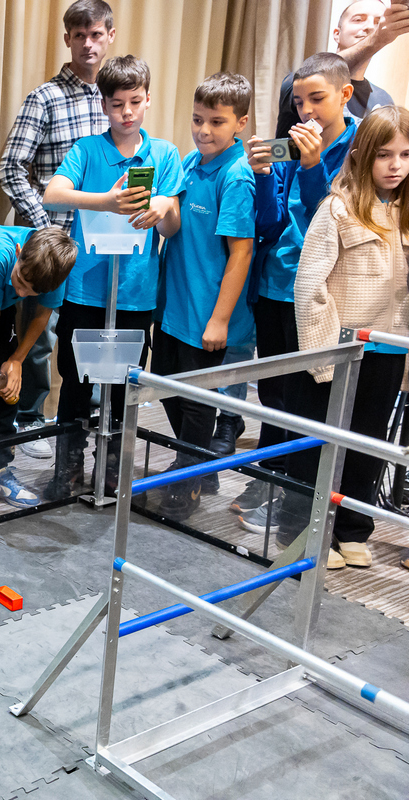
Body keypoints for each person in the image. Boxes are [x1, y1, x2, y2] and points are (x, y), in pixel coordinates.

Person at [41, 55, 184, 499]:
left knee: (125, 387)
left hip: (135, 293)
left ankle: (114, 469)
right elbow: (52, 194)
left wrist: (164, 206)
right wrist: (104, 201)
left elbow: (172, 227)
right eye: (117, 104)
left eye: (135, 102)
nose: (127, 112)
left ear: (148, 100)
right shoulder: (87, 150)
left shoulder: (164, 154)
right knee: (75, 381)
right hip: (85, 289)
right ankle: (68, 468)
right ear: (103, 104)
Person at [234, 53, 358, 533]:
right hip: (274, 283)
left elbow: (332, 220)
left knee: (308, 397)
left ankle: (297, 497)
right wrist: (264, 175)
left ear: (345, 95)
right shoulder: (291, 142)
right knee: (273, 390)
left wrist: (311, 166)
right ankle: (270, 479)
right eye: (299, 101)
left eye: (317, 99)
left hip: (319, 290)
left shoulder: (360, 145)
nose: (306, 111)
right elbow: (269, 223)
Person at [284, 106, 409, 569]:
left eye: (405, 154)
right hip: (340, 349)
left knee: (368, 441)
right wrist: (323, 356)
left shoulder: (406, 212)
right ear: (360, 156)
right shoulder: (337, 208)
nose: (395, 165)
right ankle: (307, 531)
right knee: (319, 441)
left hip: (389, 349)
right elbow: (309, 286)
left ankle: (354, 528)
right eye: (384, 154)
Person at [0, 0, 114, 458]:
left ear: (110, 36)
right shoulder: (44, 98)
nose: (88, 43)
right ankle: (29, 418)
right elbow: (11, 168)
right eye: (79, 34)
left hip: (100, 244)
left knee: (89, 332)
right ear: (67, 39)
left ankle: (89, 417)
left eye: (96, 34)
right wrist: (46, 231)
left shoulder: (114, 101)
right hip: (51, 245)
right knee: (40, 337)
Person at [150, 73, 256, 521]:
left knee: (196, 402)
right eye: (197, 119)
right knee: (166, 386)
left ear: (240, 123)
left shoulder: (237, 175)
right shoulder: (190, 161)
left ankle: (189, 478)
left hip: (205, 311)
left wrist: (220, 319)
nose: (204, 130)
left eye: (216, 122)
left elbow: (241, 252)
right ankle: (195, 462)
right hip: (172, 304)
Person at [0, 226, 77, 518]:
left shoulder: (55, 271)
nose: (21, 293)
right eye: (21, 281)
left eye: (31, 292)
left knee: (7, 385)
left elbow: (42, 315)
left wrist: (16, 361)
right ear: (19, 253)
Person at [274, 1, 409, 140]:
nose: (370, 27)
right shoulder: (301, 83)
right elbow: (318, 73)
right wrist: (376, 39)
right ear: (337, 34)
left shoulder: (383, 99)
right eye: (358, 19)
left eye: (378, 22)